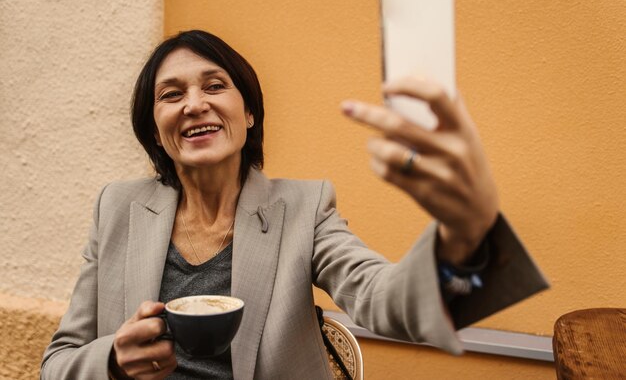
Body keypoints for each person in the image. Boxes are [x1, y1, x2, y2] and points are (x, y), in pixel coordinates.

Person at [41, 30, 548, 379]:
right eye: (171, 94)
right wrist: (111, 361)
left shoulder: (305, 207)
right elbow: (57, 363)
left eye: (215, 86)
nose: (194, 104)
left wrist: (465, 234)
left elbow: (386, 299)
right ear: (156, 129)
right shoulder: (117, 208)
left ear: (250, 113)